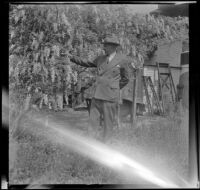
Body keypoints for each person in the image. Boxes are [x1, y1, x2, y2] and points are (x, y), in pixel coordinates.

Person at [66, 35, 136, 142]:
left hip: (110, 96)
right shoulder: (100, 59)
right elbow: (86, 62)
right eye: (104, 46)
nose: (104, 48)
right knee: (92, 122)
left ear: (113, 47)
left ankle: (107, 144)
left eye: (106, 46)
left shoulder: (123, 59)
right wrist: (71, 57)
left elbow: (126, 78)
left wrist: (115, 87)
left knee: (108, 124)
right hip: (97, 95)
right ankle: (91, 144)